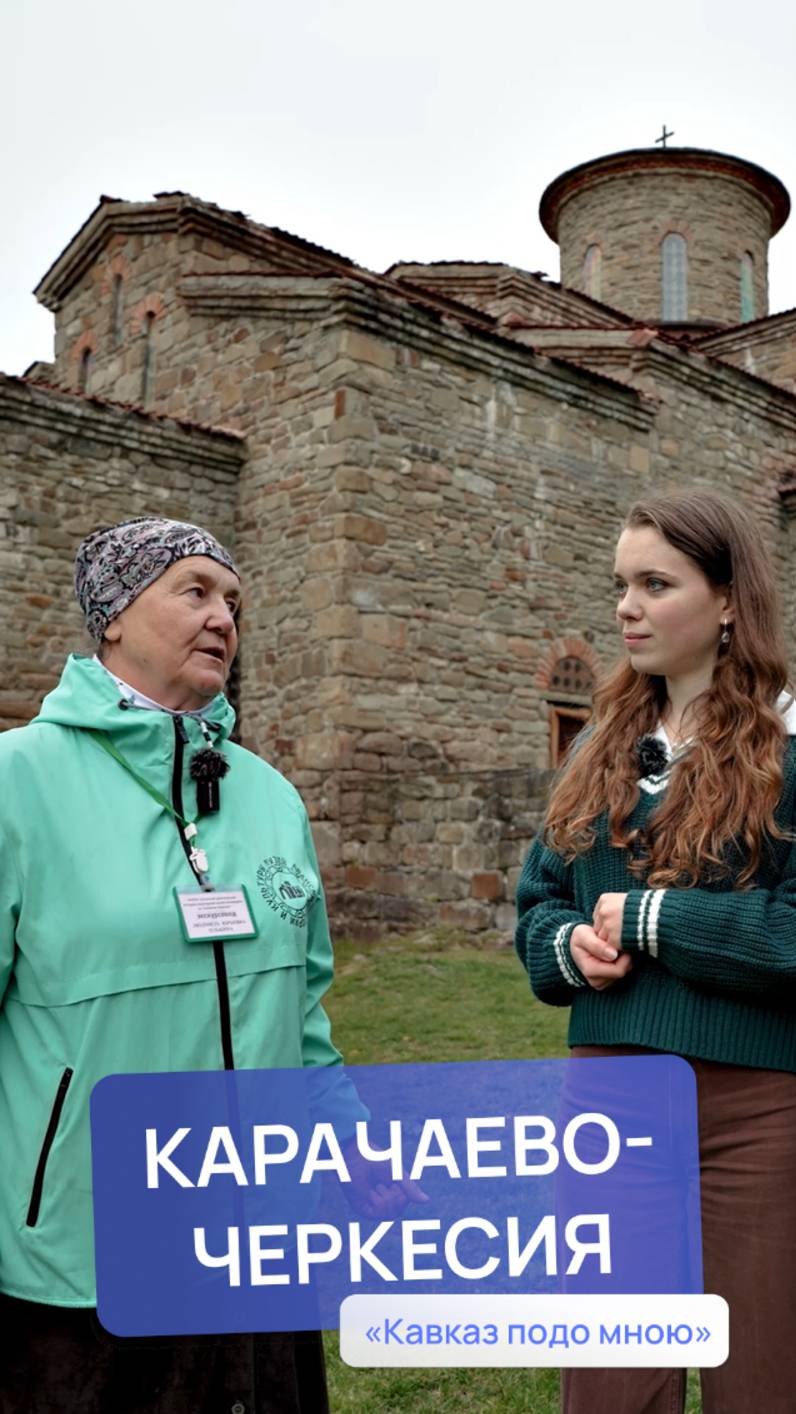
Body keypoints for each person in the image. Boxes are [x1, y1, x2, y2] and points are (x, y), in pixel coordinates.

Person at [0, 515, 343, 1413]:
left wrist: (354, 1146)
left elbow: (303, 1014)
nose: (223, 617)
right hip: (87, 1259)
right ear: (113, 616)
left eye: (233, 601)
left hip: (257, 1249)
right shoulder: (18, 782)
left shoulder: (272, 799)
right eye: (194, 591)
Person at [514, 489, 796, 1414]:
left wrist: (657, 922)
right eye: (620, 585)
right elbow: (539, 906)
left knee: (762, 1377)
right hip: (611, 1108)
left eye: (655, 585)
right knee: (612, 1385)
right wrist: (566, 947)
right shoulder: (599, 749)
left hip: (758, 1111)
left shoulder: (789, 751)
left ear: (728, 600)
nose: (626, 608)